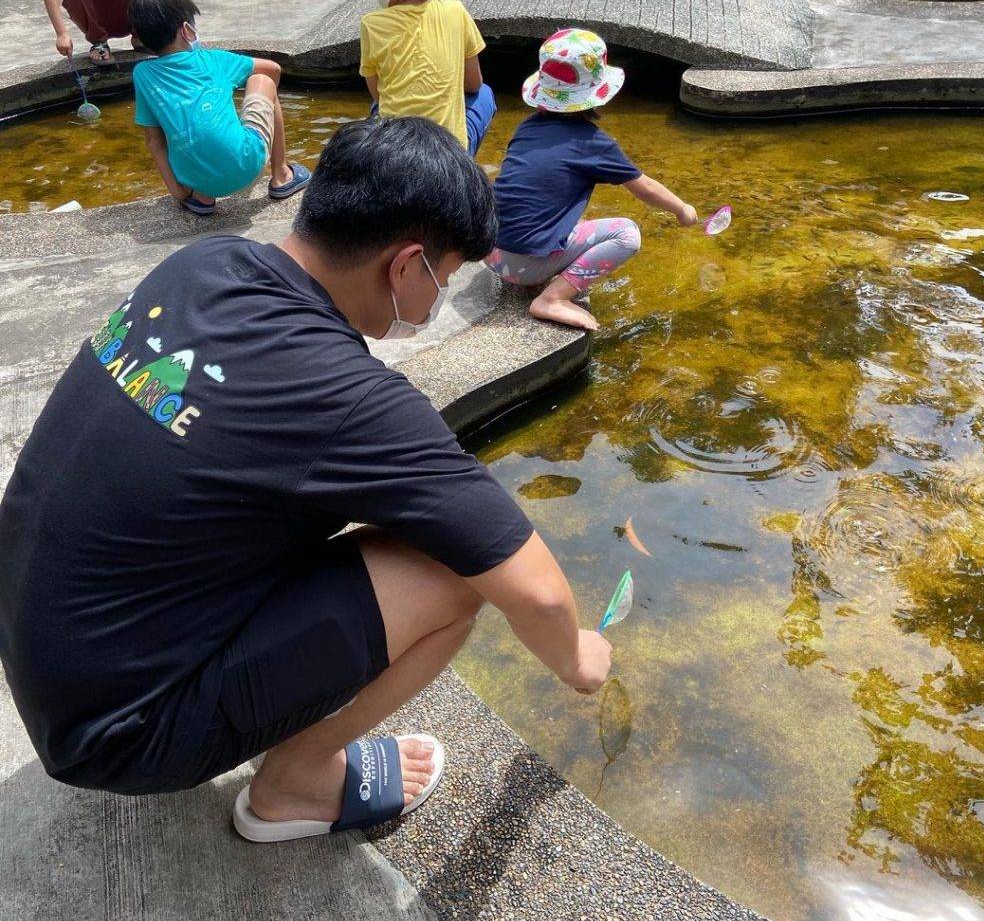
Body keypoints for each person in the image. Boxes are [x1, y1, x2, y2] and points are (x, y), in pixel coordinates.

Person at [0, 116, 611, 842]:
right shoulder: (348, 400)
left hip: (42, 648)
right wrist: (578, 658)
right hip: (120, 734)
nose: (438, 297)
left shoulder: (201, 264)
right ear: (406, 265)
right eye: (445, 278)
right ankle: (295, 786)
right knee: (451, 572)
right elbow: (536, 590)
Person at [486, 28, 699, 331]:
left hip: (489, 251)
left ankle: (537, 273)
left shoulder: (526, 128)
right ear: (596, 94)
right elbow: (645, 187)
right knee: (627, 234)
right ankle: (552, 299)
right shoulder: (592, 143)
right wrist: (682, 209)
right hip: (522, 267)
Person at [128, 0, 310, 216]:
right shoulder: (211, 60)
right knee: (262, 80)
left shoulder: (142, 74)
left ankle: (203, 199)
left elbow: (154, 142)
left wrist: (179, 192)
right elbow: (272, 69)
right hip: (245, 166)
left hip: (192, 181)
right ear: (187, 30)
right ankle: (282, 176)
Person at [359, 0, 496, 157]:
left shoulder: (372, 24)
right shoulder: (456, 11)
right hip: (450, 161)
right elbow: (473, 83)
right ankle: (467, 167)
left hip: (394, 156)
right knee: (484, 93)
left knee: (378, 107)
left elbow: (379, 95)